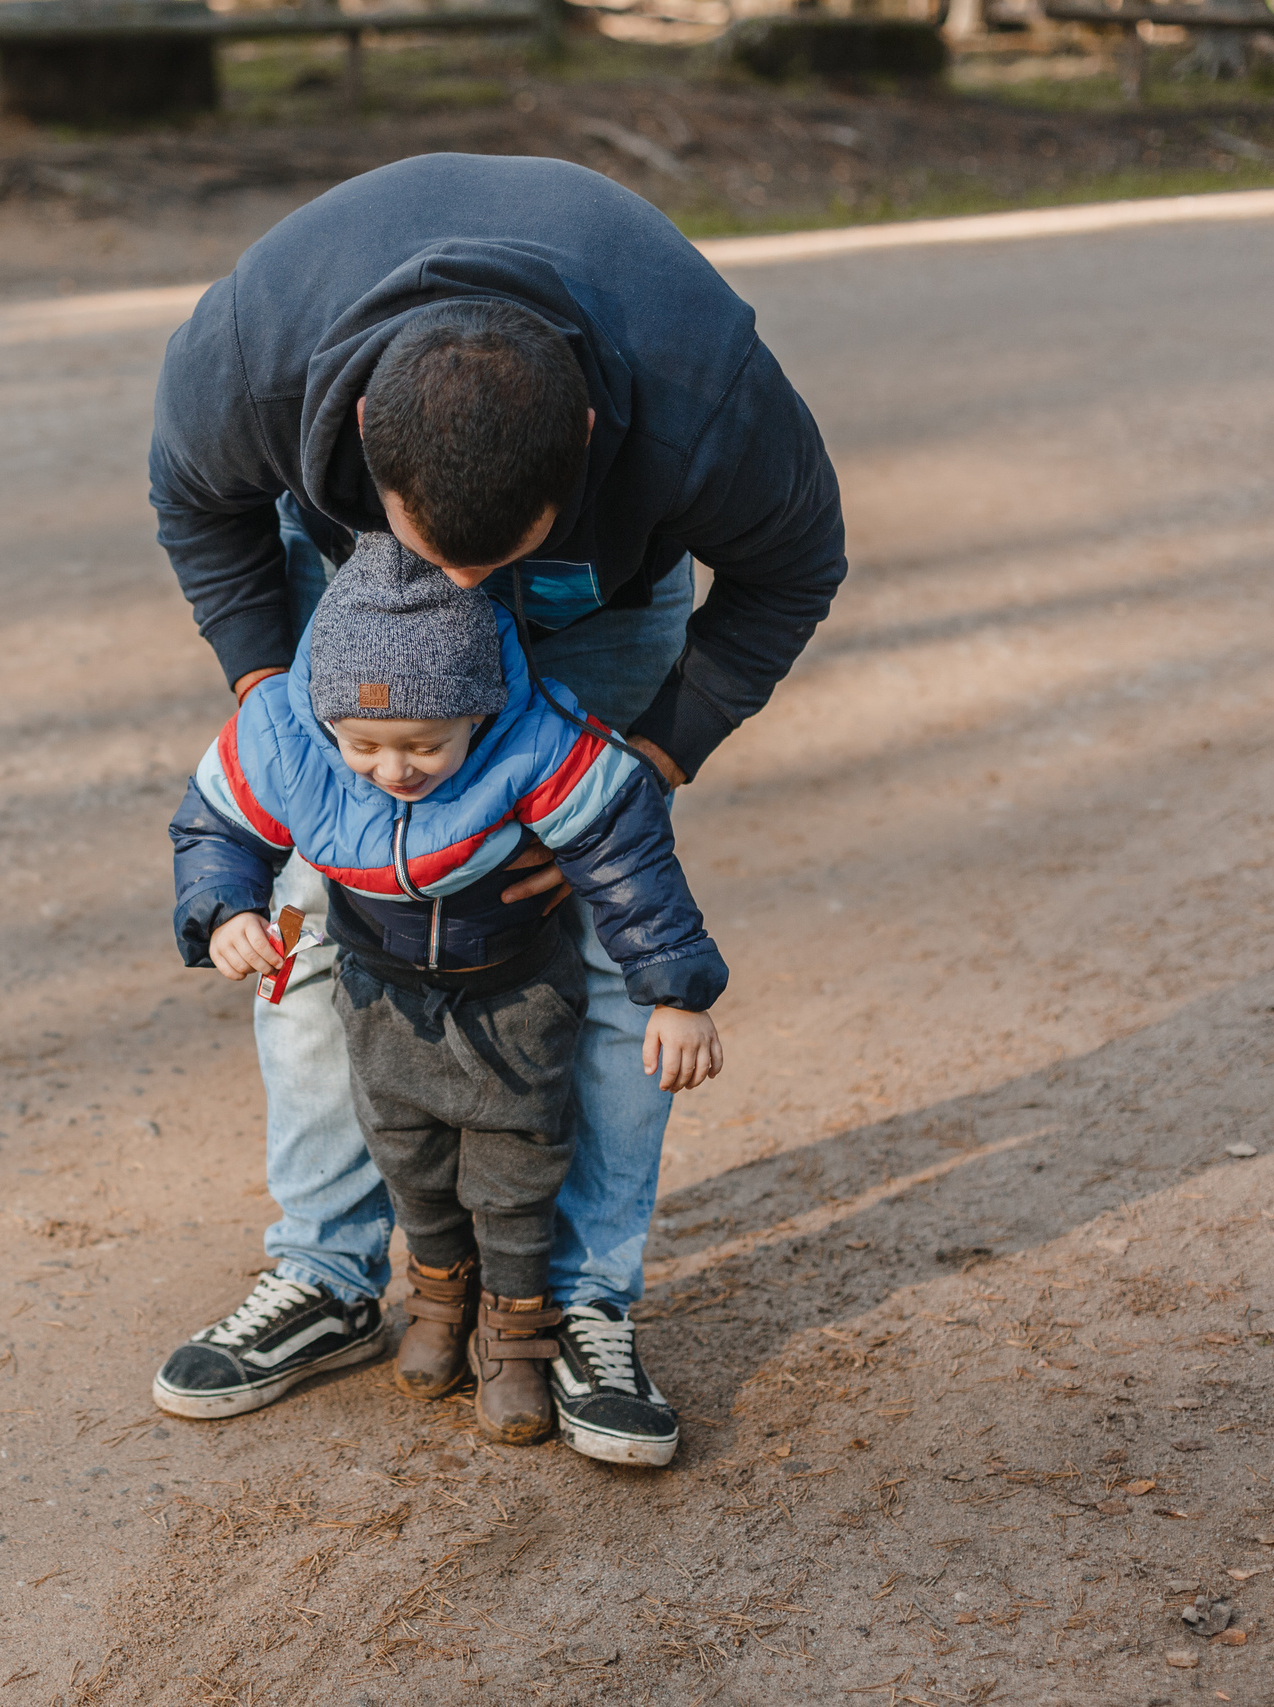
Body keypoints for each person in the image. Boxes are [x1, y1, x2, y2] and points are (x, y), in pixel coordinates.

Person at [146, 152, 846, 1465]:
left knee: (601, 909)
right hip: (355, 612)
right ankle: (331, 1270)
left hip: (602, 601)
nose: (463, 589)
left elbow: (797, 564)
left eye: (494, 556)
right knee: (315, 903)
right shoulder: (261, 345)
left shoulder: (703, 396)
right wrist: (272, 706)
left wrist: (650, 760)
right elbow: (195, 501)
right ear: (359, 427)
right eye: (440, 552)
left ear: (582, 438)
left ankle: (581, 1300)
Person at [166, 535, 726, 1455]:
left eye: (425, 745)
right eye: (366, 746)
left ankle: (524, 1331)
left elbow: (628, 860)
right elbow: (215, 819)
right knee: (410, 1159)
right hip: (379, 995)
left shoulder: (538, 739)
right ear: (324, 719)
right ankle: (413, 1296)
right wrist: (225, 907)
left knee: (515, 1165)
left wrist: (675, 990)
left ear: (482, 710)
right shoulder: (288, 739)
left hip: (514, 1001)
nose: (395, 771)